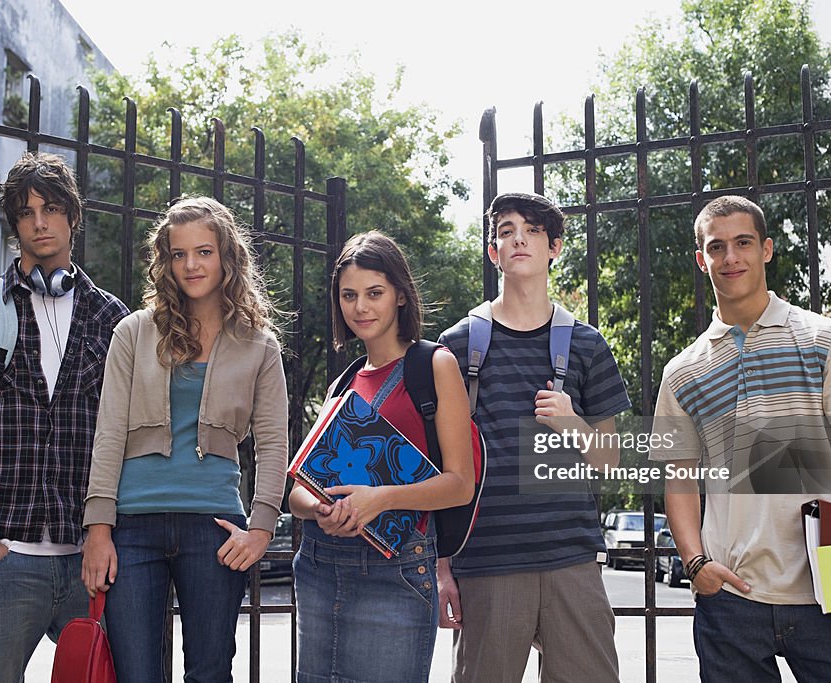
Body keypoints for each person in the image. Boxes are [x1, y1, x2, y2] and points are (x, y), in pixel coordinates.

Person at [649, 195, 831, 681]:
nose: (730, 257)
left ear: (767, 249)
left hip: (826, 592)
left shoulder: (823, 337)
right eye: (717, 247)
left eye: (743, 243)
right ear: (702, 259)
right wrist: (696, 566)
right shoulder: (682, 372)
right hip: (731, 600)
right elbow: (679, 482)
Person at [0, 152, 129, 681]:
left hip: (90, 558)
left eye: (51, 208)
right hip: (6, 556)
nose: (39, 222)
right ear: (14, 223)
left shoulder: (112, 318)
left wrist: (106, 534)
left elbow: (129, 434)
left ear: (73, 215)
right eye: (26, 212)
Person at [81, 196, 289, 682]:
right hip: (132, 529)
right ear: (166, 262)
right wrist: (98, 528)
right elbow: (108, 431)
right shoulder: (133, 332)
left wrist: (261, 527)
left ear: (226, 257)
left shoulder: (259, 343)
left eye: (204, 251)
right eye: (179, 254)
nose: (191, 264)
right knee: (136, 674)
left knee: (210, 673)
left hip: (214, 529)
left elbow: (274, 443)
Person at [437, 192, 629, 683]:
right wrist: (442, 569)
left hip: (572, 559)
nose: (517, 237)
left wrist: (573, 423)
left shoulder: (587, 344)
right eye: (505, 230)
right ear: (492, 251)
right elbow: (438, 466)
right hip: (487, 561)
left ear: (554, 248)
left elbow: (610, 462)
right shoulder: (457, 346)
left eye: (532, 229)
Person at [289, 230, 475, 683]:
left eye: (374, 293)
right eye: (348, 296)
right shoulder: (343, 384)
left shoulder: (435, 365)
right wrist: (320, 509)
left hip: (397, 569)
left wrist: (380, 499)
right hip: (320, 563)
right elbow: (296, 492)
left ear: (400, 297)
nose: (360, 307)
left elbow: (460, 484)